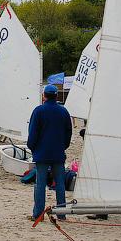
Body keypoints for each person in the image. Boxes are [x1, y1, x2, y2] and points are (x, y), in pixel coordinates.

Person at [27, 84, 72, 221]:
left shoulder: (39, 111)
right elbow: (68, 132)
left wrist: (32, 147)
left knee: (40, 183)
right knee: (60, 184)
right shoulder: (63, 111)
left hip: (42, 153)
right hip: (58, 152)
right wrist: (63, 147)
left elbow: (33, 132)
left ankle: (38, 214)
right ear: (56, 96)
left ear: (44, 96)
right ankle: (62, 214)